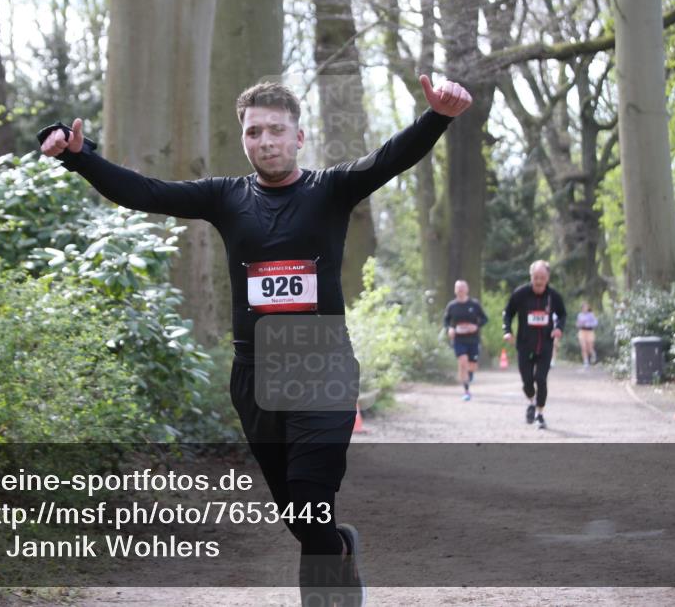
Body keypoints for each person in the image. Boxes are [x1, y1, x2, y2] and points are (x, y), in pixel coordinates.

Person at [38, 75, 472, 606]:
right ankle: (337, 547)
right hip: (254, 374)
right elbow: (146, 193)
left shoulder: (332, 189)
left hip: (321, 367)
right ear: (243, 139)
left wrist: (438, 116)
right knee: (297, 513)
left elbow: (389, 158)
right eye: (253, 132)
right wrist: (80, 156)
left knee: (311, 495)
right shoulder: (225, 197)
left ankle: (327, 593)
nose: (265, 141)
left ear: (299, 137)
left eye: (276, 130)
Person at [502, 260, 567, 430]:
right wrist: (507, 331)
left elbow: (562, 314)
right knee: (527, 381)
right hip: (524, 344)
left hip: (545, 344)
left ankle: (540, 414)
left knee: (541, 379)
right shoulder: (521, 294)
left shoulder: (553, 296)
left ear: (548, 278)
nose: (539, 281)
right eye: (536, 277)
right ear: (531, 276)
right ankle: (531, 401)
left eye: (542, 277)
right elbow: (508, 313)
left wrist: (559, 328)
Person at [441, 280, 488, 400]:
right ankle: (466, 390)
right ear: (455, 290)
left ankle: (469, 375)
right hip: (458, 339)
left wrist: (476, 326)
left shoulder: (474, 304)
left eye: (463, 288)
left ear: (467, 290)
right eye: (458, 288)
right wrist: (449, 329)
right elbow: (446, 321)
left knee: (472, 366)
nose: (460, 291)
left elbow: (484, 319)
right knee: (463, 361)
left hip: (473, 339)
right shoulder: (452, 306)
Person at [576, 301, 599, 368]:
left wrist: (588, 324)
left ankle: (593, 355)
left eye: (586, 307)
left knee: (589, 348)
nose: (585, 308)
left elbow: (595, 323)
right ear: (582, 308)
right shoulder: (580, 315)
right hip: (582, 331)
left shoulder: (591, 314)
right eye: (584, 307)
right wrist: (579, 324)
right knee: (583, 347)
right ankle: (585, 361)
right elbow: (577, 323)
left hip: (590, 332)